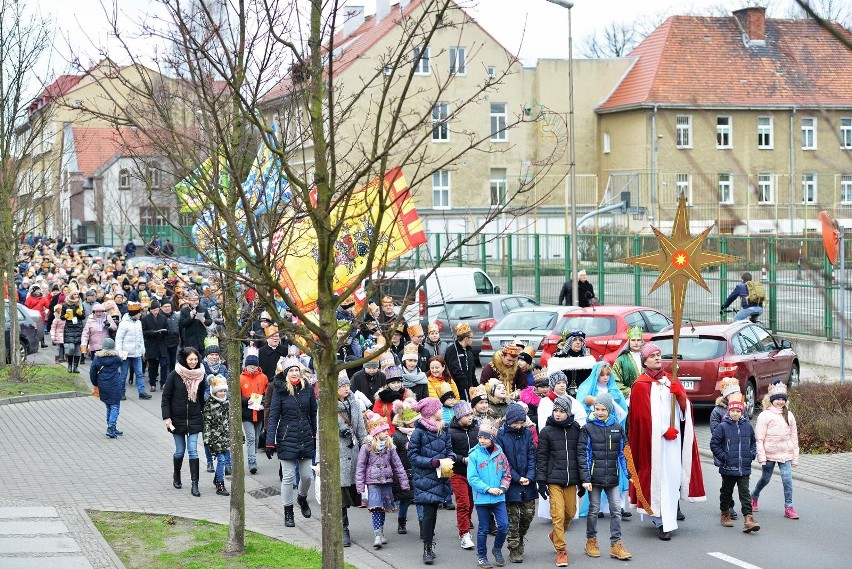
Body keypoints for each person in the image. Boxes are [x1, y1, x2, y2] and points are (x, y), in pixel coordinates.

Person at [627, 343, 705, 540]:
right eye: (652, 355)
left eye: (658, 354)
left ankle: (667, 516)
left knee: (671, 479)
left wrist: (680, 396)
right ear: (645, 361)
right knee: (658, 479)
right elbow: (642, 419)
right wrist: (663, 431)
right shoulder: (640, 385)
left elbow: (684, 411)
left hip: (673, 441)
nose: (656, 358)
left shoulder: (670, 381)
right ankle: (662, 522)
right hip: (653, 445)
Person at [578, 393, 632, 561]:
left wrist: (629, 473)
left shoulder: (617, 427)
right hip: (594, 478)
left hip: (613, 477)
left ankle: (616, 544)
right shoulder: (587, 428)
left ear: (609, 410)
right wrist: (585, 478)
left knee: (616, 510)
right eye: (597, 409)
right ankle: (591, 541)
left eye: (603, 409)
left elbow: (624, 453)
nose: (600, 412)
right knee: (593, 510)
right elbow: (583, 454)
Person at [265, 356, 318, 528]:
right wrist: (269, 441)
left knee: (307, 476)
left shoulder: (307, 389)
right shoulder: (279, 391)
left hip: (305, 436)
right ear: (286, 373)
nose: (295, 373)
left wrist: (315, 434)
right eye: (291, 371)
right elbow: (273, 416)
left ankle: (302, 498)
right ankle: (288, 512)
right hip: (286, 436)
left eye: (297, 370)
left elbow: (313, 414)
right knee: (288, 477)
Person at [408, 397, 456, 565]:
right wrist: (432, 462)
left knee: (434, 513)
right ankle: (427, 548)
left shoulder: (444, 428)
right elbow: (412, 456)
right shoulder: (419, 432)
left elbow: (450, 449)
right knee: (429, 513)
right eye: (439, 408)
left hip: (442, 476)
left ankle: (429, 545)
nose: (442, 410)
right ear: (430, 412)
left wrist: (450, 457)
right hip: (425, 479)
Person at [536, 395, 582, 567]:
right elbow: (541, 457)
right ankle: (561, 550)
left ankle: (555, 535)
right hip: (553, 479)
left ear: (568, 412)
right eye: (556, 410)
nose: (558, 414)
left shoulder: (577, 429)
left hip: (571, 480)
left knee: (570, 513)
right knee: (558, 514)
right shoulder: (547, 431)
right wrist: (541, 481)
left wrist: (583, 480)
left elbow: (581, 456)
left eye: (562, 411)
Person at [356, 412, 410, 549]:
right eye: (384, 430)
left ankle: (381, 531)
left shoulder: (390, 446)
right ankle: (377, 534)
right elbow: (361, 466)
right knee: (376, 508)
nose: (387, 433)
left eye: (387, 430)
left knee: (383, 508)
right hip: (372, 482)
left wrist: (404, 482)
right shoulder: (367, 447)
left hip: (386, 482)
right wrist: (360, 485)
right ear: (376, 432)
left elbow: (397, 465)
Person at [750, 380, 800, 520]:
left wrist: (795, 456)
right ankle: (754, 496)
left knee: (787, 480)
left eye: (782, 399)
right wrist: (762, 456)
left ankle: (788, 507)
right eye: (777, 399)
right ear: (771, 400)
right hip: (769, 453)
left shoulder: (789, 415)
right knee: (765, 478)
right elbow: (759, 438)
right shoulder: (764, 415)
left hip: (786, 453)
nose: (780, 402)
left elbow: (794, 437)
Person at [710, 393, 760, 532]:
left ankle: (748, 518)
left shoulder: (747, 426)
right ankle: (725, 513)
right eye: (733, 411)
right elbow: (714, 444)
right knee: (726, 491)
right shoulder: (723, 426)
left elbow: (753, 442)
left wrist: (751, 454)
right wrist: (723, 456)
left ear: (742, 412)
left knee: (744, 492)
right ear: (728, 411)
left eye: (738, 411)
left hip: (744, 467)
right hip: (728, 466)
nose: (735, 414)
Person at [162, 347, 207, 497]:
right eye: (190, 359)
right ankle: (177, 475)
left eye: (195, 359)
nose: (193, 362)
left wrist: (203, 413)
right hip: (177, 419)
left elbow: (201, 397)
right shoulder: (174, 375)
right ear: (184, 360)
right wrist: (166, 417)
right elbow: (166, 398)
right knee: (180, 450)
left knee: (193, 450)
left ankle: (195, 484)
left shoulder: (201, 375)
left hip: (194, 418)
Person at [466, 419, 511, 569]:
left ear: (492, 438)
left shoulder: (500, 454)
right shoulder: (474, 455)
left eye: (486, 437)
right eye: (480, 437)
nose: (482, 440)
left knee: (504, 525)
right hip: (482, 498)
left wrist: (503, 488)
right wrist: (488, 489)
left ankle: (497, 549)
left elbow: (507, 474)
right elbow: (472, 478)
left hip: (499, 497)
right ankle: (482, 556)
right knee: (483, 528)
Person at [495, 403, 536, 564]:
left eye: (521, 422)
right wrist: (517, 477)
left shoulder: (527, 433)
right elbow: (502, 460)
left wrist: (531, 475)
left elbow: (532, 454)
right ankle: (514, 547)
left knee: (527, 515)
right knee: (513, 518)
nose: (518, 426)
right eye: (515, 423)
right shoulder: (501, 435)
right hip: (510, 482)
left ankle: (519, 539)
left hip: (528, 481)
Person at [335, 372, 368, 547]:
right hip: (336, 455)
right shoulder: (327, 405)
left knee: (352, 492)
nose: (346, 388)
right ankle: (343, 529)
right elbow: (321, 433)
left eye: (347, 385)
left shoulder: (355, 403)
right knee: (340, 494)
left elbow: (361, 429)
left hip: (353, 453)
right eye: (342, 386)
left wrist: (366, 447)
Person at [710, 378, 743, 521]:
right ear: (726, 395)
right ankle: (728, 506)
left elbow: (746, 428)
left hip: (739, 452)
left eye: (738, 392)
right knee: (727, 481)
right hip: (724, 452)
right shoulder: (717, 411)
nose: (736, 395)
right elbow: (715, 432)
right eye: (733, 393)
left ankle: (734, 505)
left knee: (739, 481)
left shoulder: (742, 409)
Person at [448, 400, 478, 551]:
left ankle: (466, 522)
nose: (470, 417)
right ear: (459, 417)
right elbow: (448, 451)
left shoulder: (476, 429)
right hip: (458, 472)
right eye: (466, 415)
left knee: (471, 503)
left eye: (471, 414)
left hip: (474, 473)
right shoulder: (451, 432)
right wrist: (462, 459)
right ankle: (464, 534)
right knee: (463, 503)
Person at [391, 397, 419, 537]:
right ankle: (401, 521)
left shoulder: (419, 433)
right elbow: (393, 458)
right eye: (414, 420)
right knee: (405, 499)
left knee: (420, 500)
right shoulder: (397, 436)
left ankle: (423, 525)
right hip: (404, 473)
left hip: (418, 471)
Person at [89, 338, 124, 438]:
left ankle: (112, 426)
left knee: (109, 406)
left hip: (102, 385)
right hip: (114, 385)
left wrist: (95, 383)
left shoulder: (97, 359)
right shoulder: (116, 358)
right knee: (115, 406)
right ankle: (111, 427)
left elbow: (92, 372)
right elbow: (121, 362)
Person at [203, 375, 232, 496]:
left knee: (224, 460)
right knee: (221, 460)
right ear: (215, 391)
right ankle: (220, 485)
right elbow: (207, 423)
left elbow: (233, 421)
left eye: (224, 390)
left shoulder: (228, 402)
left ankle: (216, 478)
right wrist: (207, 440)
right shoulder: (210, 404)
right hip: (215, 438)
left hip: (226, 436)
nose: (222, 393)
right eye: (220, 390)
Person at [240, 354, 268, 475]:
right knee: (250, 438)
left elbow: (267, 395)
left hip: (259, 412)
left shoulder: (263, 378)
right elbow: (237, 397)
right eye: (250, 367)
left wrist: (263, 403)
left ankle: (254, 457)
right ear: (246, 366)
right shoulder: (240, 378)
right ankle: (252, 462)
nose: (252, 369)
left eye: (254, 367)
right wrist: (247, 401)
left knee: (256, 439)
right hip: (247, 413)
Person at [116, 301, 151, 399]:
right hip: (125, 354)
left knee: (139, 374)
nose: (140, 314)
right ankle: (121, 393)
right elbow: (119, 338)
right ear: (134, 313)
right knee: (123, 374)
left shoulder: (139, 322)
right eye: (139, 313)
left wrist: (143, 350)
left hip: (137, 354)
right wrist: (119, 352)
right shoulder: (124, 324)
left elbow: (141, 338)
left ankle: (142, 392)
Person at [547, 331, 596, 398]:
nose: (578, 342)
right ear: (569, 342)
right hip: (562, 395)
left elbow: (591, 382)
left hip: (583, 395)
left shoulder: (588, 360)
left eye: (580, 340)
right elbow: (553, 381)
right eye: (574, 340)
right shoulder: (558, 359)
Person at [141, 300, 170, 392]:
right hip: (151, 345)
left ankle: (163, 383)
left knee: (164, 365)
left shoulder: (163, 317)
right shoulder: (145, 318)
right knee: (152, 366)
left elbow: (168, 329)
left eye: (157, 309)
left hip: (161, 344)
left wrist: (166, 332)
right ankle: (152, 384)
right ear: (150, 310)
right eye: (153, 310)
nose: (155, 311)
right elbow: (143, 332)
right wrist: (152, 332)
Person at [443, 322, 476, 401]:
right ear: (466, 338)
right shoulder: (452, 350)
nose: (472, 340)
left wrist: (476, 386)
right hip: (457, 388)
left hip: (469, 389)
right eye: (471, 337)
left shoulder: (469, 353)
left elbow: (472, 373)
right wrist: (463, 383)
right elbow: (455, 369)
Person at [611, 326, 643, 400]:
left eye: (638, 340)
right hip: (629, 399)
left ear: (642, 341)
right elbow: (615, 380)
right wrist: (630, 391)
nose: (636, 343)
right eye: (633, 340)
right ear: (629, 341)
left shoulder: (647, 357)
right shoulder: (621, 360)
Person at [61, 290, 86, 373]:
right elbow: (61, 317)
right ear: (71, 295)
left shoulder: (80, 304)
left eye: (77, 294)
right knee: (71, 348)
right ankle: (69, 365)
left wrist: (80, 313)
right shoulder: (65, 305)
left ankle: (75, 367)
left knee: (78, 350)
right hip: (69, 328)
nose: (76, 296)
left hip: (78, 328)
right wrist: (65, 316)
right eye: (74, 294)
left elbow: (83, 317)